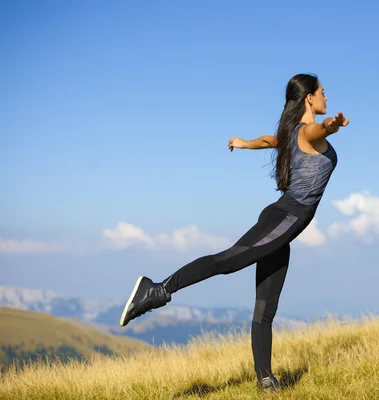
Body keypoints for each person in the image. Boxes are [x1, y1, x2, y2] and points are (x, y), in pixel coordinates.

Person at [118, 73, 349, 392]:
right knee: (227, 261)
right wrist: (332, 125)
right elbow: (319, 128)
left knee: (265, 309)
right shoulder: (309, 131)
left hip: (283, 227)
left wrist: (242, 143)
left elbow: (268, 141)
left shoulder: (290, 132)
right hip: (283, 220)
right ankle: (157, 290)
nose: (327, 98)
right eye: (323, 93)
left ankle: (266, 380)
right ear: (309, 98)